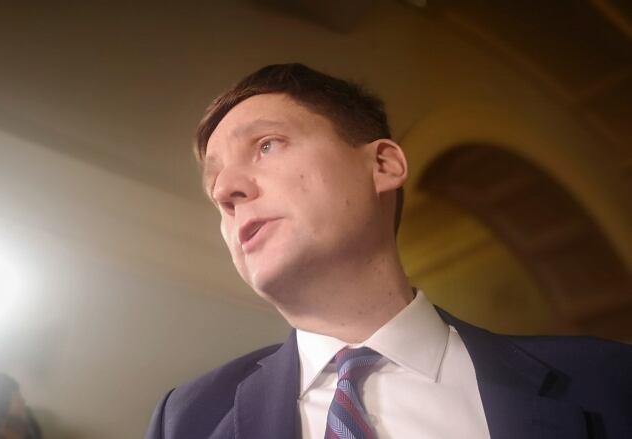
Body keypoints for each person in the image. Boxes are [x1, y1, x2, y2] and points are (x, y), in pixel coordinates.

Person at [145, 63, 632, 439]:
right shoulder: (188, 419)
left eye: (267, 145)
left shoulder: (608, 381)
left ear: (383, 164)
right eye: (215, 186)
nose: (227, 189)